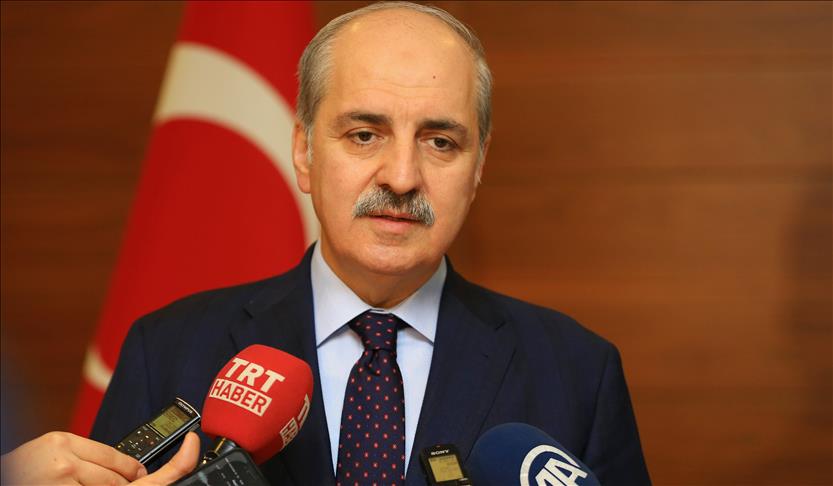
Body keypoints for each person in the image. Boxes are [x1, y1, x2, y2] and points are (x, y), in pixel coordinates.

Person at [11, 2, 651, 485]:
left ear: (478, 166)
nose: (402, 177)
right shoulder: (168, 348)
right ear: (303, 151)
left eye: (440, 142)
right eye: (365, 134)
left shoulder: (578, 372)